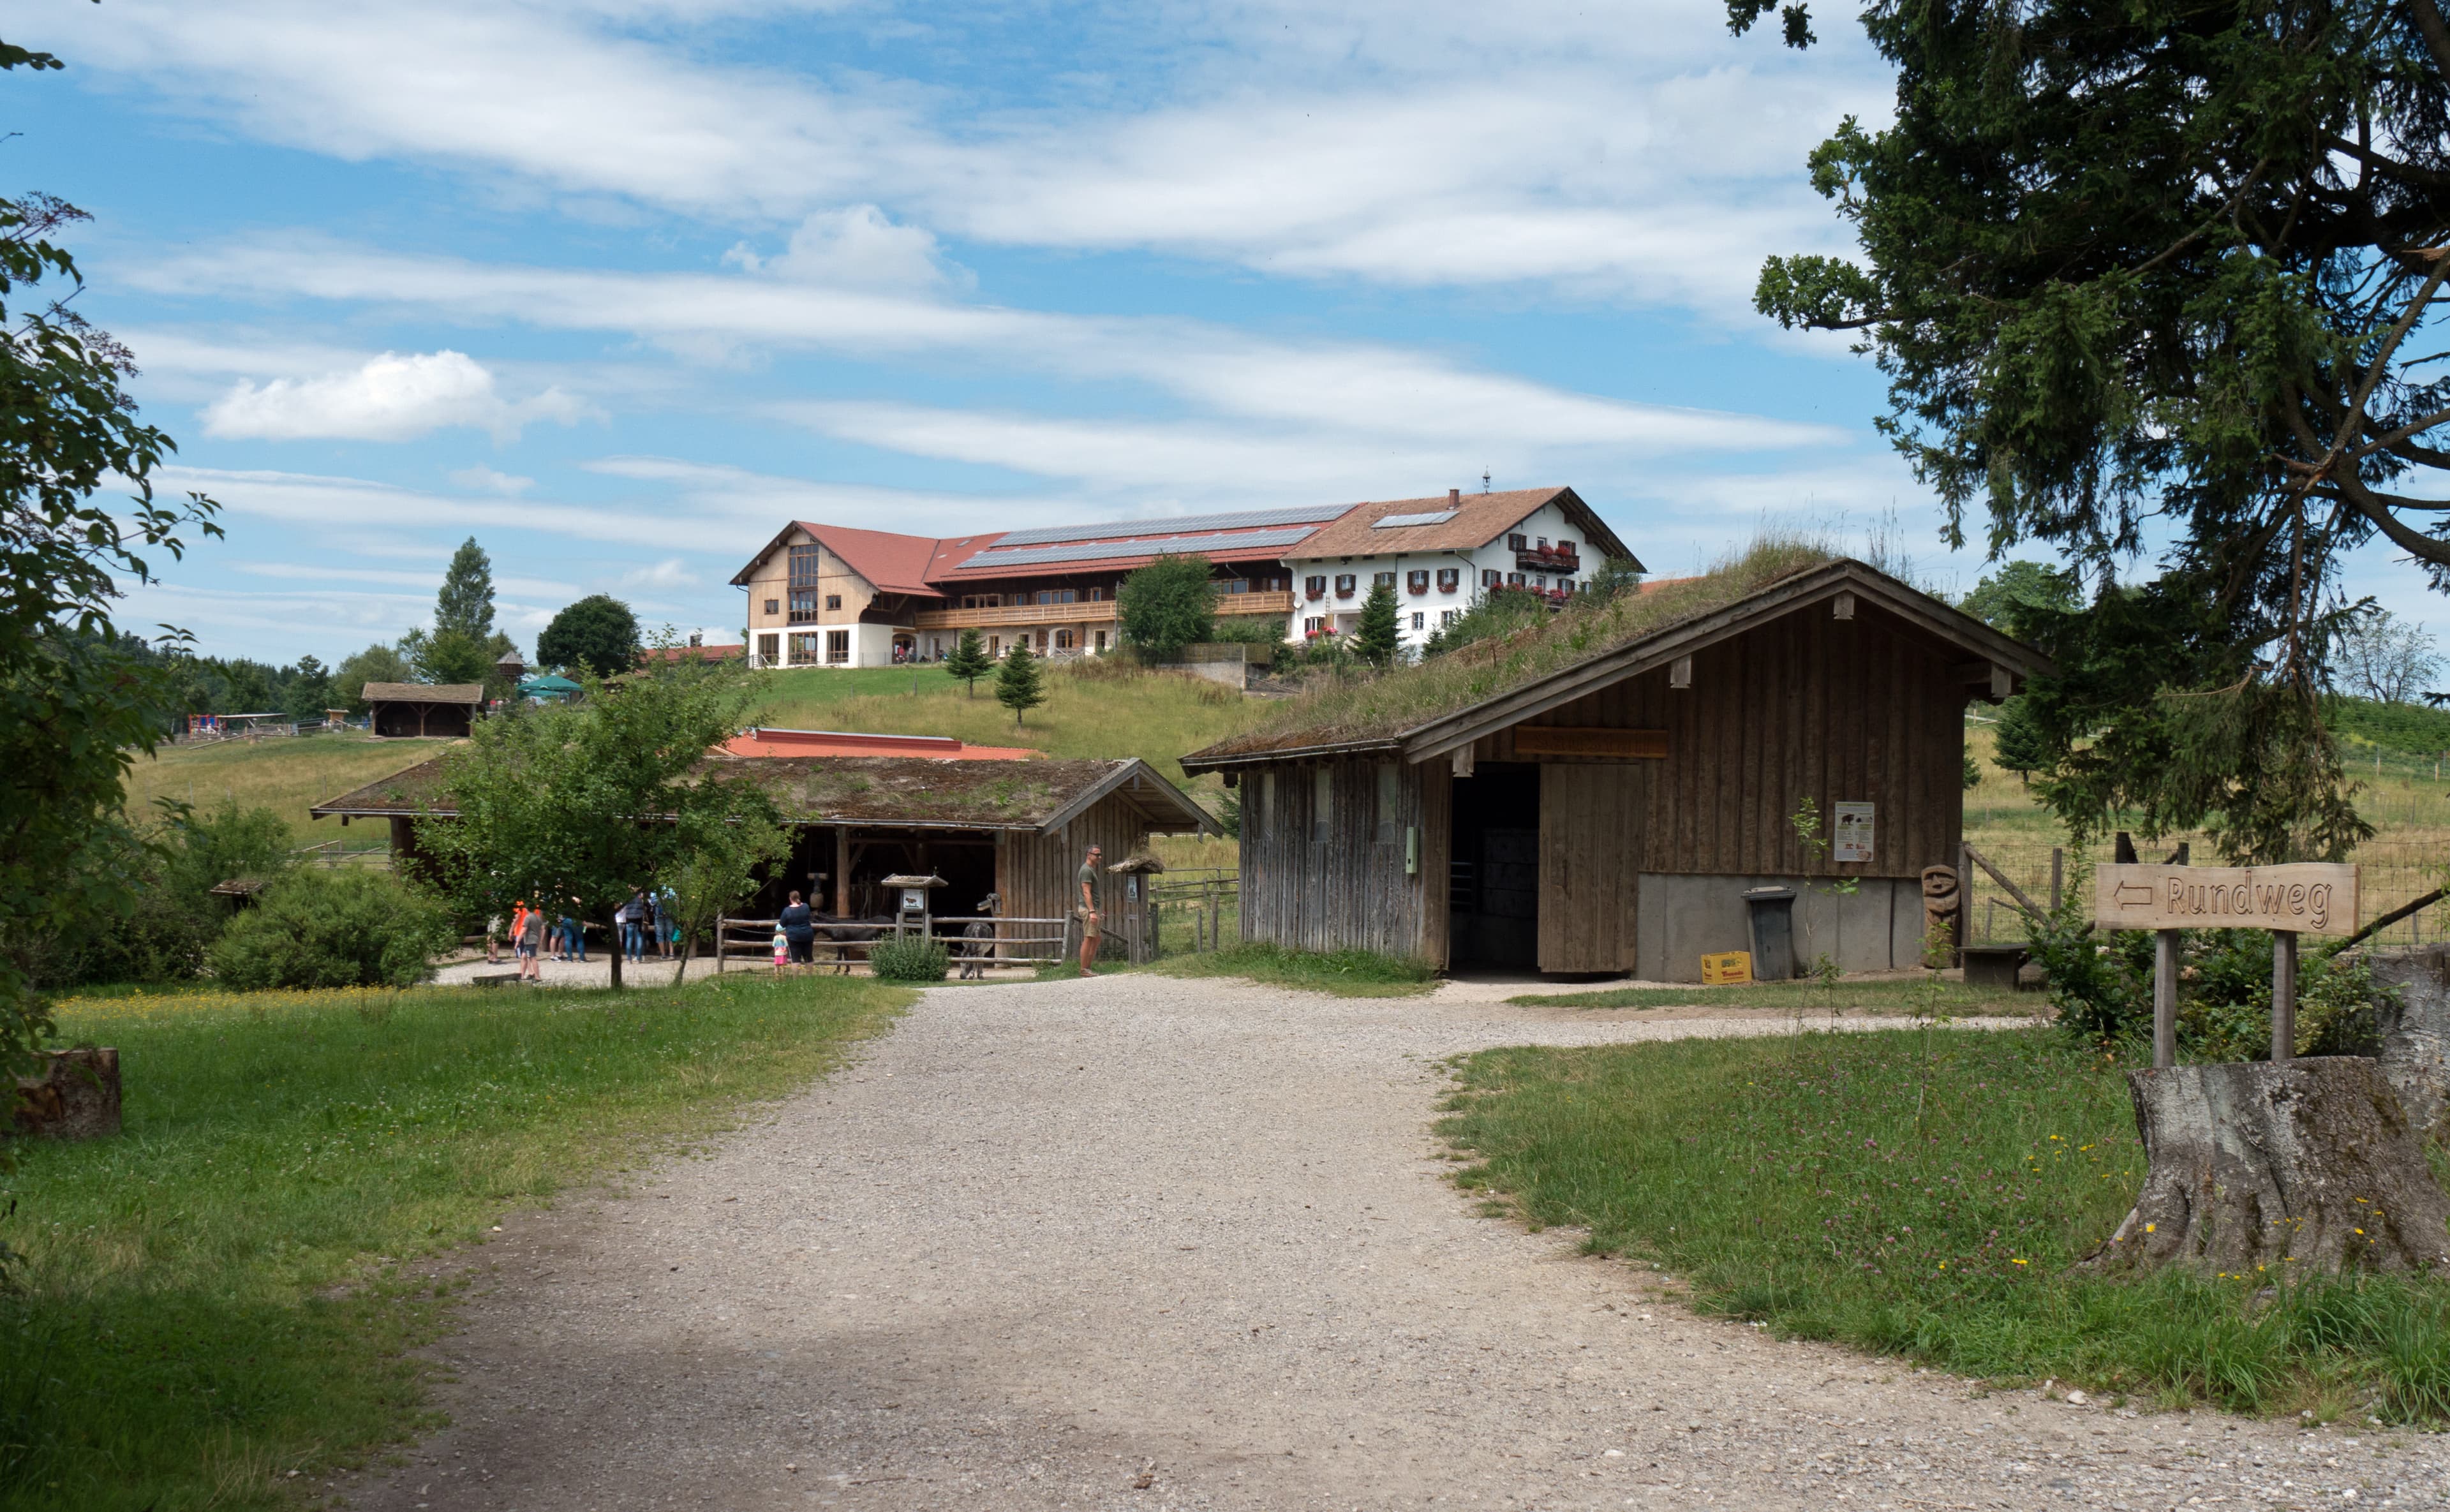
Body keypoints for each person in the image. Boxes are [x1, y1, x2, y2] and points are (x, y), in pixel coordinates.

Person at [1076, 842, 1103, 976]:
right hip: (1088, 909)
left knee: (1096, 938)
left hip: (1094, 908)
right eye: (1097, 855)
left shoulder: (1091, 870)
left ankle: (1088, 967)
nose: (1100, 857)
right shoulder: (1086, 870)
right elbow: (1086, 891)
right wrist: (1092, 911)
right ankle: (1084, 969)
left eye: (1100, 855)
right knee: (1089, 937)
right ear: (1089, 855)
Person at [780, 889, 815, 965]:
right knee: (809, 958)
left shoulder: (787, 910)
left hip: (794, 936)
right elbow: (809, 917)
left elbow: (782, 924)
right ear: (799, 897)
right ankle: (810, 976)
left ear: (790, 899)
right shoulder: (806, 906)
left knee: (795, 959)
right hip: (807, 935)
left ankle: (796, 977)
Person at [517, 904, 546, 981]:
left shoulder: (528, 917)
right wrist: (541, 940)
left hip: (530, 940)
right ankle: (522, 976)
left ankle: (537, 977)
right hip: (534, 940)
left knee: (532, 958)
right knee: (524, 956)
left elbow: (524, 930)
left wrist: (518, 941)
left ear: (527, 909)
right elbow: (543, 929)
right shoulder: (538, 918)